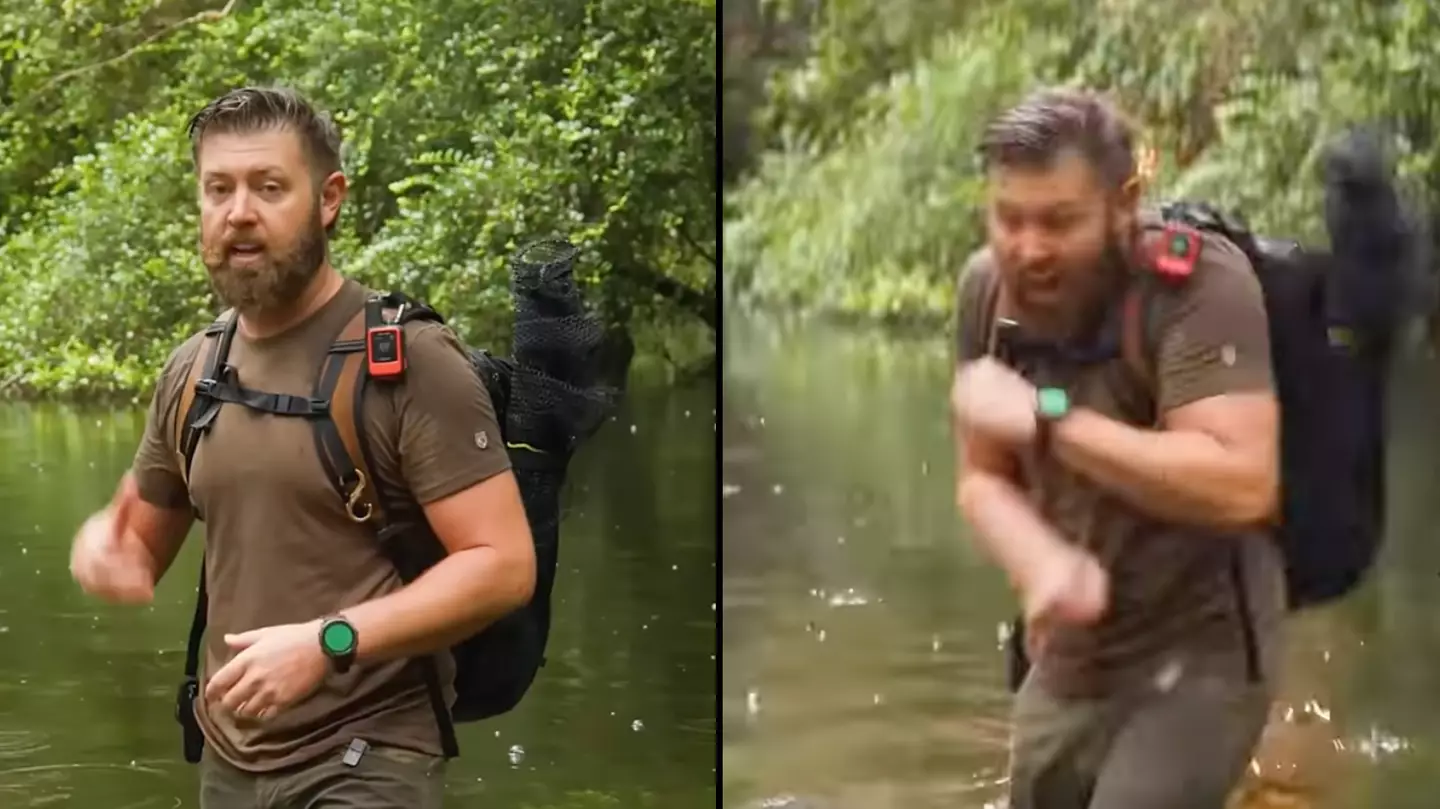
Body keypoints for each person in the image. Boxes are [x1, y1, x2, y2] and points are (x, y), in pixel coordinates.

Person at [67, 85, 537, 808]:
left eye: (269, 187)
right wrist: (106, 551)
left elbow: (503, 567)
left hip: (372, 753)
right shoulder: (194, 370)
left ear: (329, 198)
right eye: (217, 189)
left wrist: (329, 641)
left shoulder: (412, 362)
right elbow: (140, 546)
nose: (239, 212)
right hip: (228, 756)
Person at [949, 87, 1285, 809]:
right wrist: (1043, 563)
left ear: (1123, 206)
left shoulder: (1199, 284)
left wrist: (1047, 417)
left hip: (1205, 646)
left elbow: (1242, 480)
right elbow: (982, 479)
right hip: (1072, 658)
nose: (1029, 248)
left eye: (1060, 222)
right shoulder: (985, 291)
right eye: (1009, 219)